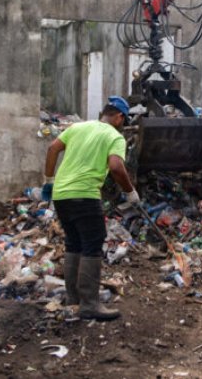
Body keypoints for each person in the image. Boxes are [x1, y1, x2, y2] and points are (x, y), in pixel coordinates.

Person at [42, 96, 139, 320]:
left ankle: (73, 297)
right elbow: (116, 166)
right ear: (119, 118)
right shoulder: (115, 136)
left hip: (61, 195)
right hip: (85, 195)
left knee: (74, 243)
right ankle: (89, 305)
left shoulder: (78, 127)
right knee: (92, 244)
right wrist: (129, 191)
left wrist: (48, 181)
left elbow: (52, 148)